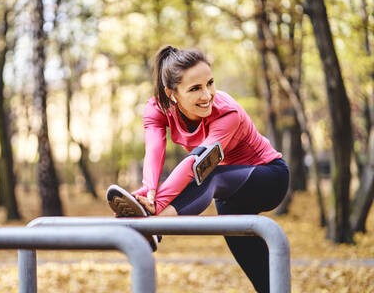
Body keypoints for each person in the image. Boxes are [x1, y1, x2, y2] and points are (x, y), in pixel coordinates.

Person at [106, 45, 289, 293]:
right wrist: (148, 191)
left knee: (207, 171)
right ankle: (152, 221)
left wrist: (155, 205)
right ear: (172, 94)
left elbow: (198, 163)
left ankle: (154, 224)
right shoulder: (157, 109)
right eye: (195, 88)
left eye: (210, 83)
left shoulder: (227, 113)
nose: (207, 95)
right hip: (230, 195)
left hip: (268, 177)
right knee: (263, 279)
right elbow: (153, 151)